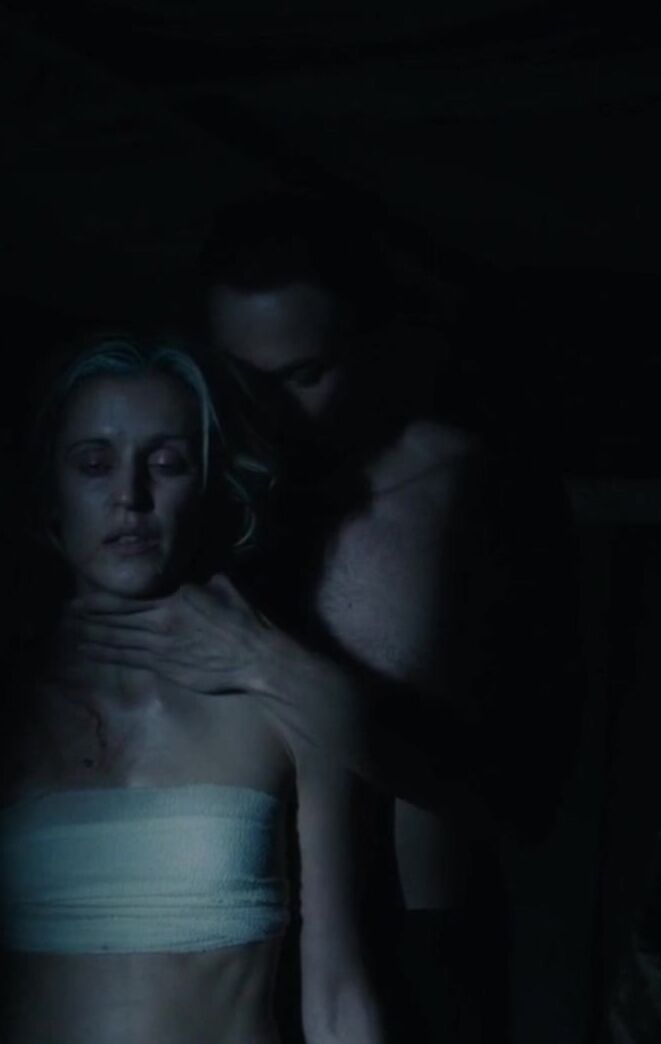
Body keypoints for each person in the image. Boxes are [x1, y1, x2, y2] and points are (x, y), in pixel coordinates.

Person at [70, 194, 582, 1041]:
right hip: (241, 950)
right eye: (239, 378)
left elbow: (523, 800)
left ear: (372, 342)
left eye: (304, 376)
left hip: (423, 953)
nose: (265, 411)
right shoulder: (190, 506)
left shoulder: (472, 497)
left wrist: (269, 663)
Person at [0, 335, 385, 1043]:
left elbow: (338, 998)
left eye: (167, 463)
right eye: (94, 464)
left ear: (209, 485)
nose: (130, 497)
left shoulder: (283, 700)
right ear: (50, 490)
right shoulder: (13, 705)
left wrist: (267, 663)